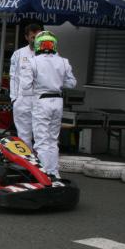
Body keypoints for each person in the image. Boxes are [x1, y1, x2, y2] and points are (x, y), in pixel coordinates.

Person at [19, 31, 76, 178]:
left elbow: (25, 87)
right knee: (52, 140)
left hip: (41, 101)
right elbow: (72, 83)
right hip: (58, 101)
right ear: (54, 45)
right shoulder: (64, 61)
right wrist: (56, 82)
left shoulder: (32, 61)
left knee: (42, 140)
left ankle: (44, 175)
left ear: (38, 45)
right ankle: (54, 172)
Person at [9, 23, 44, 149]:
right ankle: (26, 159)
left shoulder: (48, 54)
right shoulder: (18, 54)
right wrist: (14, 98)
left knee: (42, 135)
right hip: (23, 99)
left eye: (38, 36)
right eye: (33, 37)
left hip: (41, 99)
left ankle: (42, 160)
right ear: (26, 37)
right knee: (24, 135)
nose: (35, 40)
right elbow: (13, 77)